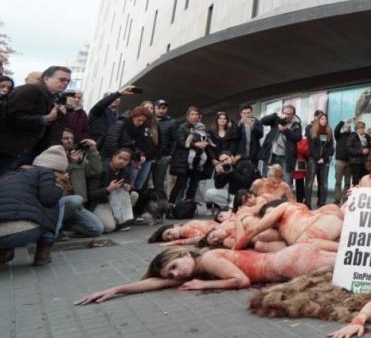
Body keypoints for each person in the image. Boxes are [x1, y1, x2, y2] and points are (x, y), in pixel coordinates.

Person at [74, 243, 337, 303]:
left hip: (288, 262)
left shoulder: (209, 259)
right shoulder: (197, 265)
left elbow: (241, 280)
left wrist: (203, 285)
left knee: (365, 265)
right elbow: (157, 283)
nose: (176, 275)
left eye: (175, 267)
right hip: (290, 259)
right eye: (172, 273)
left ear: (183, 253)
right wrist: (117, 289)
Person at [0, 146, 69, 266]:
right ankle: (43, 251)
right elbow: (48, 199)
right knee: (54, 198)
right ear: (58, 170)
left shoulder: (10, 174)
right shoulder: (46, 173)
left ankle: (4, 252)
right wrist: (60, 186)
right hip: (20, 232)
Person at [0, 66, 71, 175]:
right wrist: (46, 119)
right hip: (9, 151)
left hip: (26, 152)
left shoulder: (53, 98)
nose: (65, 83)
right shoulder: (29, 90)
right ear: (46, 78)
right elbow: (15, 118)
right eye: (61, 79)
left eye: (68, 81)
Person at [59, 130, 105, 237]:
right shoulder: (54, 155)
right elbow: (59, 176)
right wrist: (72, 163)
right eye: (66, 138)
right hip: (61, 203)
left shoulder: (77, 156)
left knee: (97, 229)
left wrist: (93, 150)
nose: (69, 141)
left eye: (71, 138)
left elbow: (95, 171)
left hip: (78, 206)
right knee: (74, 201)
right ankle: (55, 226)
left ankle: (64, 225)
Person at [170, 107, 216, 209]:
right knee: (180, 183)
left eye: (196, 114)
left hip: (198, 160)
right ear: (188, 116)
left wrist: (206, 144)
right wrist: (195, 145)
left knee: (194, 185)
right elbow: (181, 142)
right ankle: (172, 205)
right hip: (184, 160)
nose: (194, 116)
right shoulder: (183, 127)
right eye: (192, 114)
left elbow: (207, 139)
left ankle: (189, 206)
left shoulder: (202, 127)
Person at [102, 106, 158, 190]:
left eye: (143, 121)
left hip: (124, 162)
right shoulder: (120, 124)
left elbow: (135, 146)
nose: (141, 123)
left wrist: (139, 156)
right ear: (133, 117)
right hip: (111, 161)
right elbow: (110, 143)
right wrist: (116, 160)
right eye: (139, 120)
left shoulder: (139, 130)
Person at [258, 105, 302, 185]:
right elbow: (263, 121)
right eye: (285, 113)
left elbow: (297, 138)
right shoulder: (276, 119)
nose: (287, 115)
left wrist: (285, 130)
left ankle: (284, 197)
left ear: (293, 114)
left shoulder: (296, 124)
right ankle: (267, 197)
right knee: (266, 179)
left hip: (286, 156)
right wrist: (275, 115)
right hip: (272, 154)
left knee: (286, 181)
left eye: (289, 114)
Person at [307, 113, 334, 208]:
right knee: (310, 182)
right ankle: (308, 203)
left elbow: (331, 147)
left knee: (324, 183)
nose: (324, 120)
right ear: (318, 120)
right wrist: (318, 158)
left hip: (325, 160)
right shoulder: (312, 130)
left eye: (325, 119)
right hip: (313, 160)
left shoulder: (329, 131)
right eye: (322, 118)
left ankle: (322, 203)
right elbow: (311, 146)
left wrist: (324, 158)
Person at [152, 100, 178, 195]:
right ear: (154, 108)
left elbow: (175, 140)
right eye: (159, 108)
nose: (161, 110)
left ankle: (159, 204)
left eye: (164, 108)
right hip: (149, 156)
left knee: (159, 182)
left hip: (163, 156)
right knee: (145, 182)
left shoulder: (172, 122)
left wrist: (170, 155)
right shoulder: (149, 120)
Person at [333, 119, 352, 202]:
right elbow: (336, 129)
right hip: (339, 161)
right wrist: (342, 122)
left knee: (347, 182)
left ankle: (345, 198)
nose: (347, 128)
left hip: (349, 162)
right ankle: (337, 198)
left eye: (348, 127)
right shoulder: (339, 135)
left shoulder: (353, 136)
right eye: (345, 127)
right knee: (338, 181)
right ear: (343, 128)